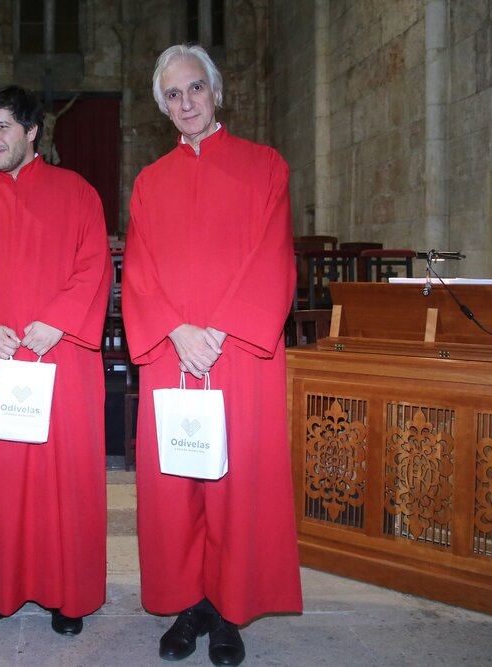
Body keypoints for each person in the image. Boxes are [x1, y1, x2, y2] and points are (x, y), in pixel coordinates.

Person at [122, 45, 303, 666]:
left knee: (234, 484)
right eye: (173, 95)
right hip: (172, 352)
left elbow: (273, 257)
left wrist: (219, 331)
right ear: (163, 107)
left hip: (239, 352)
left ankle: (228, 610)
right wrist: (176, 331)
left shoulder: (265, 166)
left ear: (217, 92)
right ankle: (188, 603)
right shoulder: (150, 182)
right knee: (178, 485)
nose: (186, 102)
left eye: (195, 88)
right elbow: (138, 272)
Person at [0, 85, 111, 636]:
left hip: (61, 356)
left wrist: (59, 319)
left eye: (3, 127)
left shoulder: (77, 193)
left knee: (65, 475)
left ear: (32, 131)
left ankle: (67, 592)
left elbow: (94, 264)